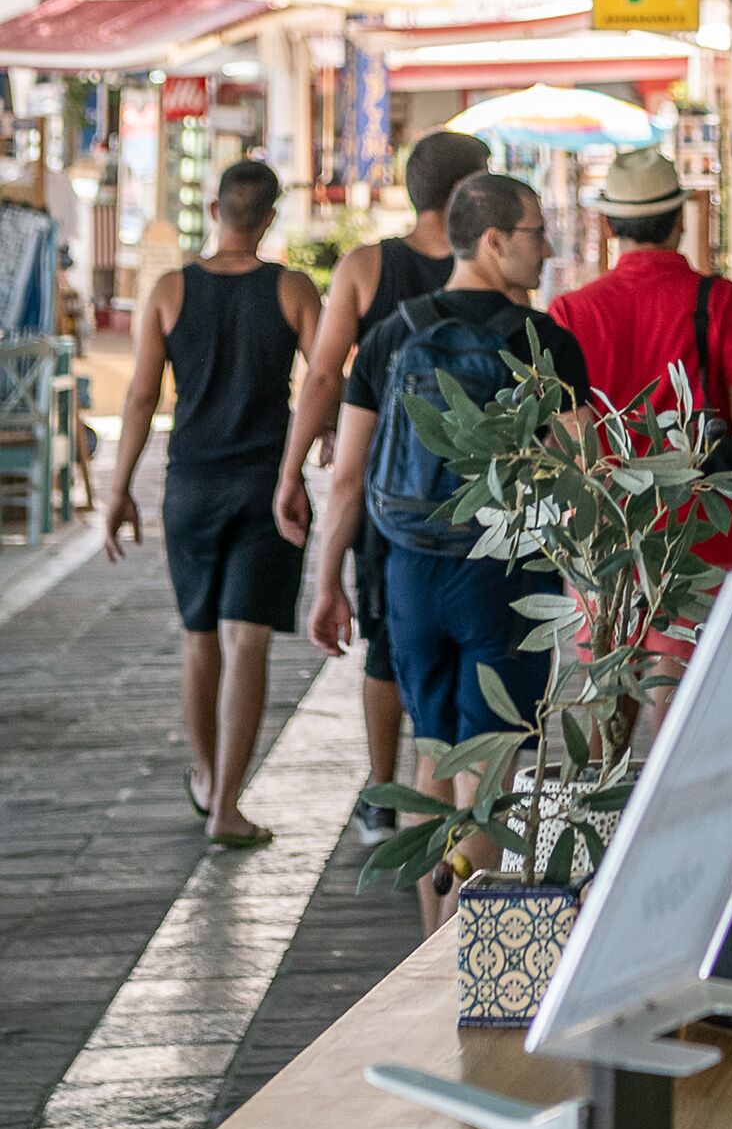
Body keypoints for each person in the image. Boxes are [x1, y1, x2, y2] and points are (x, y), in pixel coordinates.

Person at [307, 171, 594, 931]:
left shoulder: (392, 333)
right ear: (494, 241)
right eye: (537, 233)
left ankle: (425, 966)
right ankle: (471, 971)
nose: (548, 249)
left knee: (430, 761)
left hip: (407, 573)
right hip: (503, 578)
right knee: (490, 774)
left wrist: (328, 581)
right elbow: (585, 475)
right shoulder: (545, 344)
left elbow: (346, 478)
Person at [272, 128, 493, 841]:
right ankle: (461, 795)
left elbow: (326, 374)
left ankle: (382, 789)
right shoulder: (494, 268)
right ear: (469, 194)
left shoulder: (369, 267)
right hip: (484, 495)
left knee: (387, 641)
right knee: (471, 642)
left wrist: (291, 467)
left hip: (387, 492)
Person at [102, 159, 321, 852]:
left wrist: (117, 490)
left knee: (200, 639)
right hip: (265, 483)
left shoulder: (169, 290)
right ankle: (228, 802)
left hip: (189, 485)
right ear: (270, 216)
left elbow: (141, 396)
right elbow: (326, 377)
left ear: (214, 207)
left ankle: (203, 776)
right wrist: (326, 447)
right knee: (246, 640)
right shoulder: (291, 290)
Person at [549, 147, 732, 564]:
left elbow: (562, 434)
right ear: (680, 220)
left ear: (608, 225)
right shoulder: (722, 301)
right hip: (697, 531)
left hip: (603, 534)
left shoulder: (567, 312)